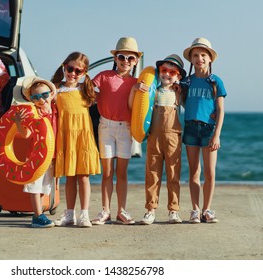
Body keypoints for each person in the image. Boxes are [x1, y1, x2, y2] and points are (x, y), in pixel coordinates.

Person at [91, 37, 143, 225]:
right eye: (122, 57)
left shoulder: (137, 83)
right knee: (106, 172)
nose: (126, 61)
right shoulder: (104, 76)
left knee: (122, 173)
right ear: (115, 58)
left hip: (126, 129)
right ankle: (105, 211)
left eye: (130, 58)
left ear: (136, 61)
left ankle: (121, 210)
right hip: (105, 126)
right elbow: (88, 91)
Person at [130, 54, 186, 225]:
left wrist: (182, 91)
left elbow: (188, 106)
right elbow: (136, 107)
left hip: (173, 136)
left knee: (173, 173)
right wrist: (135, 89)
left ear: (178, 76)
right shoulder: (152, 90)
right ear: (158, 72)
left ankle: (173, 210)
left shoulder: (179, 92)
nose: (167, 74)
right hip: (154, 135)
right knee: (152, 173)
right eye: (164, 70)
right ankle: (150, 210)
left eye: (172, 72)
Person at [51, 52, 101, 228]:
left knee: (84, 177)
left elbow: (108, 100)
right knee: (69, 177)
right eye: (69, 68)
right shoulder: (55, 90)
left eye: (77, 71)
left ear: (84, 72)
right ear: (64, 67)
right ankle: (69, 214)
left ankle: (84, 215)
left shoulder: (86, 90)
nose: (73, 73)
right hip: (65, 137)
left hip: (83, 137)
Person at [182, 38, 227, 223]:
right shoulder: (187, 81)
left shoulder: (215, 81)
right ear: (191, 59)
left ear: (210, 59)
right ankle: (195, 209)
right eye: (195, 55)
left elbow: (221, 109)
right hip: (191, 128)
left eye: (203, 55)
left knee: (210, 172)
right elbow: (184, 103)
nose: (199, 58)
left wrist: (217, 134)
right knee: (194, 171)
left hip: (209, 130)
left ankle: (207, 209)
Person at [13, 76, 58, 228]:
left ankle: (38, 213)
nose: (42, 100)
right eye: (36, 97)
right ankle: (38, 216)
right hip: (35, 156)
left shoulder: (57, 111)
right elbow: (26, 135)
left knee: (45, 187)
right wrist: (19, 123)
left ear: (51, 94)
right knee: (34, 185)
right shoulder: (35, 114)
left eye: (45, 95)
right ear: (32, 100)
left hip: (51, 156)